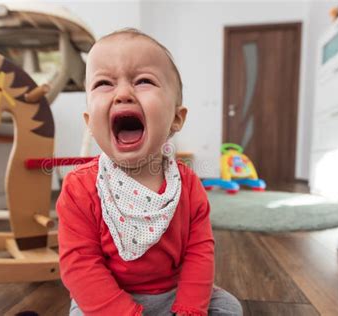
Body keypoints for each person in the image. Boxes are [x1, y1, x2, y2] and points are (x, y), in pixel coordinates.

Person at [56, 28, 243, 316]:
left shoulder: (189, 185)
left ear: (176, 119)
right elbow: (80, 264)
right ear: (90, 123)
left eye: (143, 81)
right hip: (108, 299)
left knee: (228, 307)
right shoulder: (79, 188)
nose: (122, 94)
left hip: (173, 294)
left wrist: (190, 308)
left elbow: (199, 252)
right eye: (104, 83)